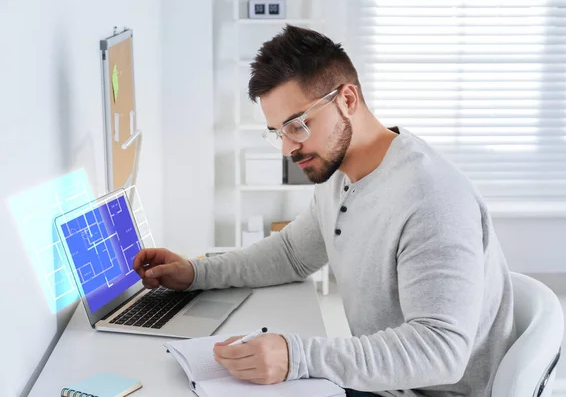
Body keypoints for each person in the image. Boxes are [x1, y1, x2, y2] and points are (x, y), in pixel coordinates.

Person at [133, 25, 517, 397]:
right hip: (383, 383)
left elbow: (441, 352)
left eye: (298, 125)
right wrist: (195, 272)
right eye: (278, 133)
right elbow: (291, 254)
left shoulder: (431, 198)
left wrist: (296, 356)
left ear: (347, 100)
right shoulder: (341, 173)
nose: (288, 148)